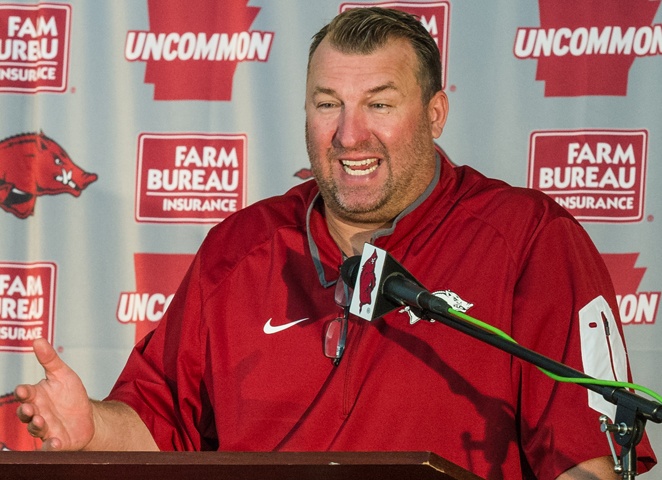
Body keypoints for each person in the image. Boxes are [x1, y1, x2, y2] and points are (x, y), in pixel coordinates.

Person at [14, 7, 657, 480]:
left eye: (379, 104)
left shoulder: (529, 240)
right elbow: (162, 430)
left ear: (435, 114)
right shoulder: (240, 249)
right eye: (328, 104)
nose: (350, 136)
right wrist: (94, 428)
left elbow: (588, 465)